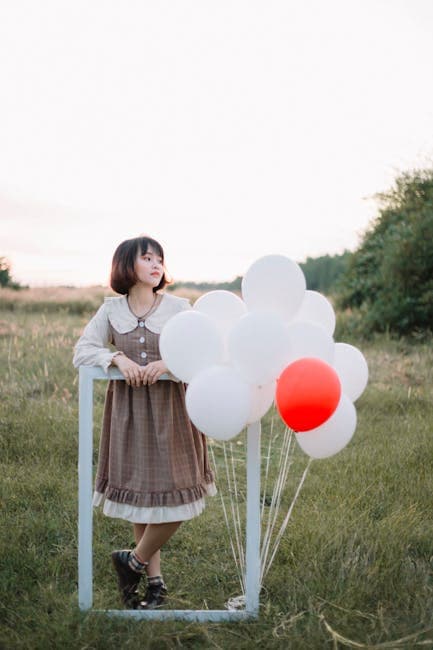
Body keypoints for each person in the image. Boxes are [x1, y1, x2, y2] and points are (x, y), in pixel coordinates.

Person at [73, 235, 216, 610]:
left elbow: (206, 348)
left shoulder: (179, 308)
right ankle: (153, 584)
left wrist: (167, 363)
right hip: (130, 414)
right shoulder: (111, 311)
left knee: (181, 499)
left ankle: (131, 562)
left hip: (173, 412)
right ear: (127, 265)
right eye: (147, 258)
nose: (157, 265)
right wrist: (118, 359)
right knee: (141, 501)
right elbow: (83, 350)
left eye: (160, 259)